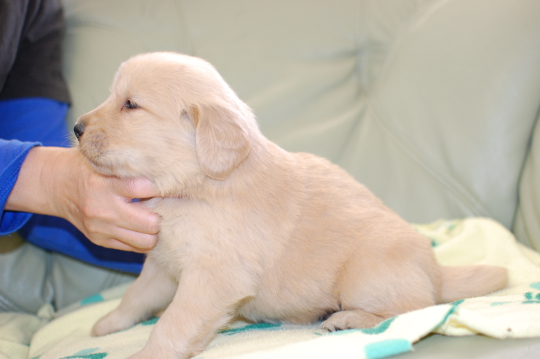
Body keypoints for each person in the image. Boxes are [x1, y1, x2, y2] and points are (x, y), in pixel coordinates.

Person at [0, 0, 160, 313]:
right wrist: (47, 179)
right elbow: (39, 180)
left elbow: (34, 163)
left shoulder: (30, 8)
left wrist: (197, 241)